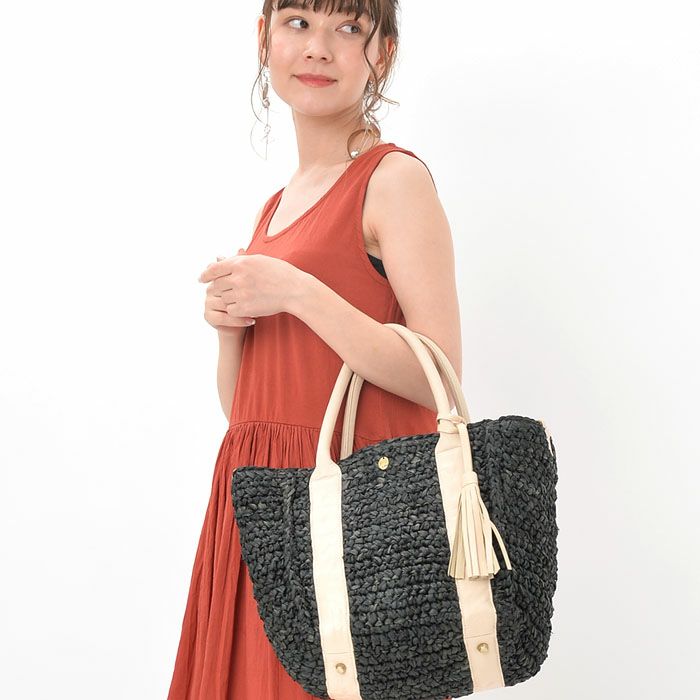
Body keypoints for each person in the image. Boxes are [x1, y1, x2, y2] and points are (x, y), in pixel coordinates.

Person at [167, 1, 462, 698]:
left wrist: (299, 292)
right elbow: (248, 416)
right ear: (265, 38)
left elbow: (440, 375)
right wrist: (230, 332)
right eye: (298, 22)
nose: (318, 48)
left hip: (349, 518)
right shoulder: (274, 208)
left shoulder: (393, 180)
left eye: (348, 28)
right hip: (262, 508)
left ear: (382, 53)